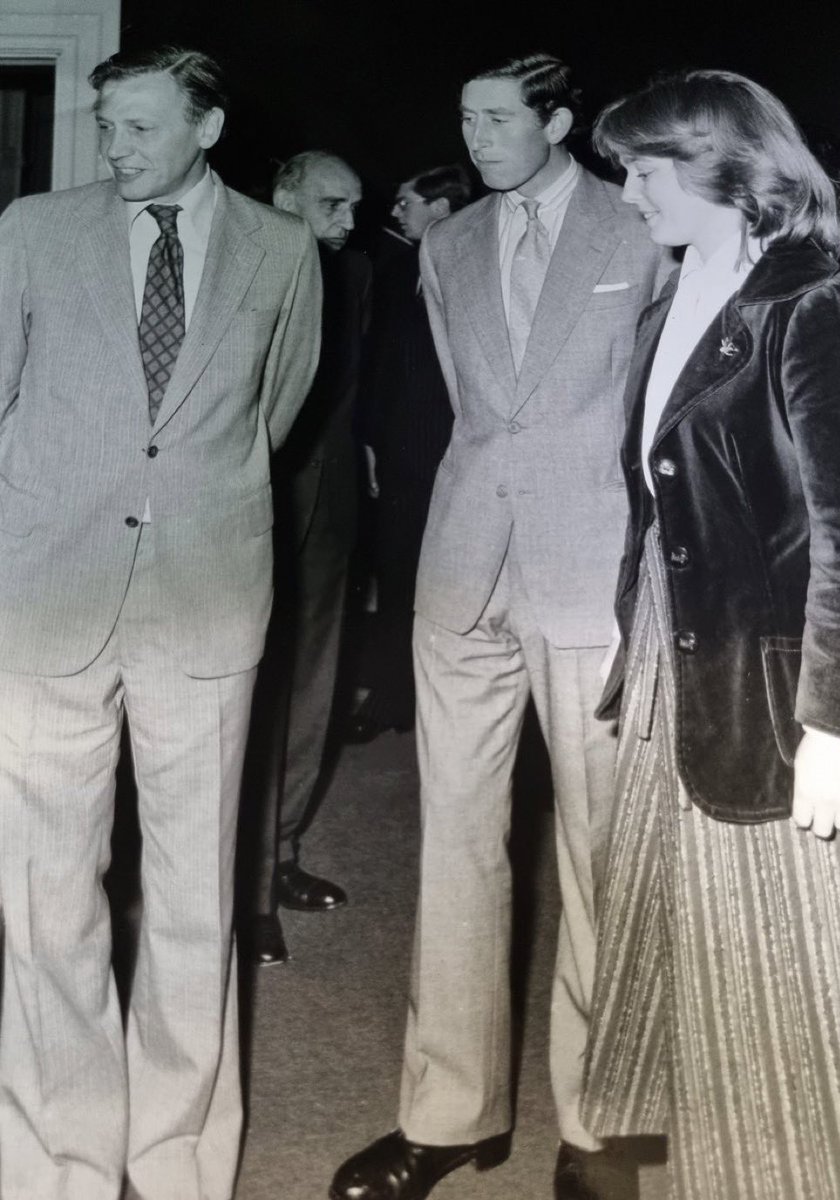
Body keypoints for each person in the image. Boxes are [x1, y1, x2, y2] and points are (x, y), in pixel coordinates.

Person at [331, 52, 671, 1200]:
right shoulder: (447, 244)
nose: (474, 139)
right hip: (462, 571)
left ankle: (597, 1127)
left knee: (595, 855)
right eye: (462, 119)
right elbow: (463, 412)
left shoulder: (639, 228)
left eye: (495, 118)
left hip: (591, 574)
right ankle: (445, 1114)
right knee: (457, 844)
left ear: (559, 119)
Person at [0, 45, 321, 1200]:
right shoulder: (32, 231)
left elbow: (271, 413)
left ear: (207, 124)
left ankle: (176, 1154)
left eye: (139, 125)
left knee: (194, 894)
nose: (114, 147)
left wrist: (177, 501)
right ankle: (59, 1160)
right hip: (46, 597)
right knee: (46, 899)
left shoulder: (282, 252)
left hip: (202, 597)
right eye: (106, 124)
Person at [579, 69, 840, 1200]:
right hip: (671, 659)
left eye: (645, 171)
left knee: (779, 979)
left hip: (770, 682)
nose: (629, 192)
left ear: (724, 168)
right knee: (688, 953)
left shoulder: (814, 305)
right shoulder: (675, 297)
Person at [241, 151, 371, 966]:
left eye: (355, 207)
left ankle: (278, 855)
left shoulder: (353, 274)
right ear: (283, 194)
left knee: (313, 682)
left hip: (329, 504)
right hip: (250, 499)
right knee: (250, 688)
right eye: (331, 204)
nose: (348, 222)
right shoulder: (242, 256)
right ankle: (241, 889)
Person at [347, 163, 472, 744]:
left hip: (458, 457)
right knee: (397, 580)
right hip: (399, 458)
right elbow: (376, 362)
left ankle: (450, 711)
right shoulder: (395, 271)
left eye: (407, 203)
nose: (396, 213)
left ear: (441, 209)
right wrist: (370, 439)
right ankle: (394, 698)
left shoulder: (475, 269)